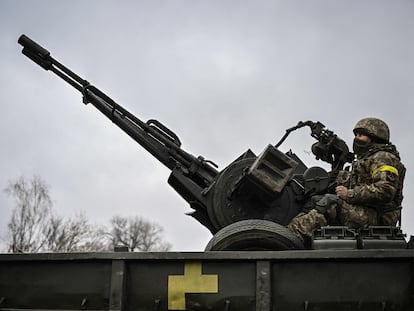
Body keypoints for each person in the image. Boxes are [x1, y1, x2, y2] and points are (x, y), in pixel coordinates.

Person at [288, 117, 405, 243]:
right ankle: (291, 232)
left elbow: (385, 190)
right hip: (365, 211)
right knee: (315, 200)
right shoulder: (365, 159)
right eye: (356, 135)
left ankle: (292, 237)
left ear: (374, 138)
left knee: (330, 203)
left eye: (361, 135)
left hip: (378, 217)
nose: (356, 139)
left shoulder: (384, 157)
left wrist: (349, 194)